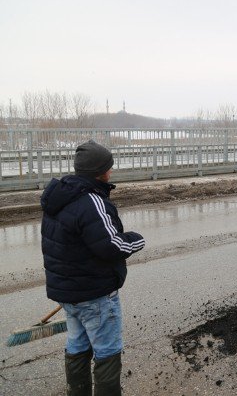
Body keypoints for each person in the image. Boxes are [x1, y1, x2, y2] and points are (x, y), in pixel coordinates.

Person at [41, 140, 145, 395]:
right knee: (107, 352)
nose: (111, 170)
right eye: (109, 166)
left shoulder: (59, 198)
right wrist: (136, 239)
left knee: (77, 345)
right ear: (101, 171)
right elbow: (110, 246)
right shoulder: (91, 202)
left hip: (69, 294)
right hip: (95, 295)